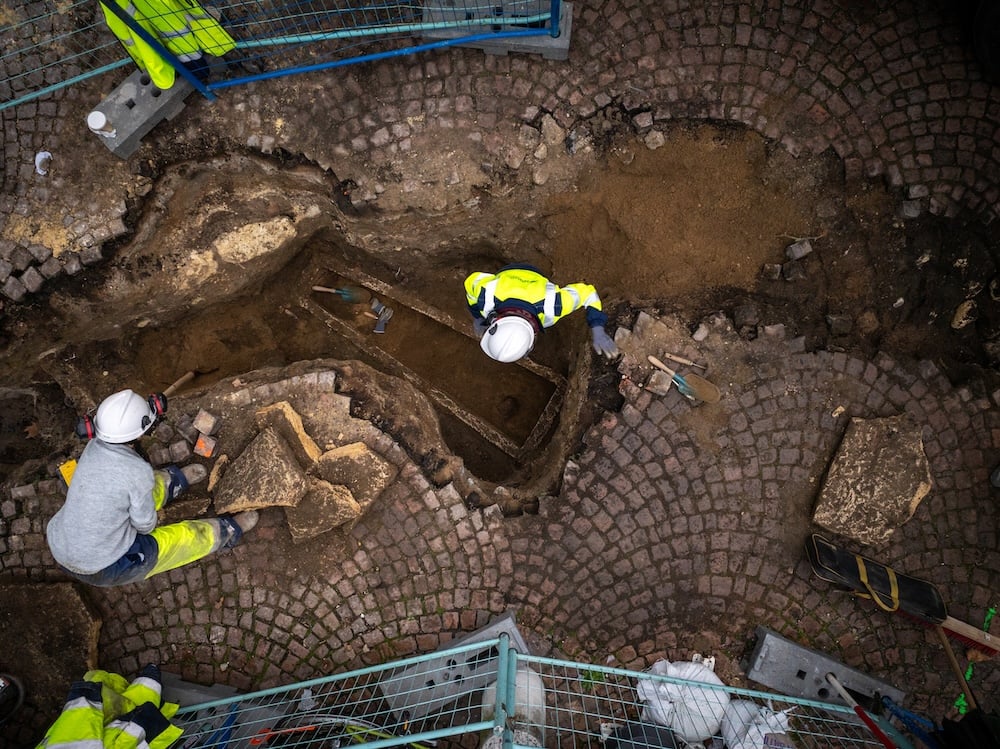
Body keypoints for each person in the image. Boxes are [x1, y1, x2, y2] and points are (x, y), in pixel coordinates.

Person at [46, 389, 258, 588]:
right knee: (179, 540)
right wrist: (145, 518)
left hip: (62, 541)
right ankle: (225, 532)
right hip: (105, 564)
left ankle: (174, 482)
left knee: (142, 489)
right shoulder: (136, 471)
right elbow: (145, 525)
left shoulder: (94, 448)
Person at [465, 263, 620, 363]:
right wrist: (478, 315)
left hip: (536, 275)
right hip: (505, 276)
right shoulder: (485, 295)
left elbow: (588, 293)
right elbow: (470, 283)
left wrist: (597, 328)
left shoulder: (552, 305)